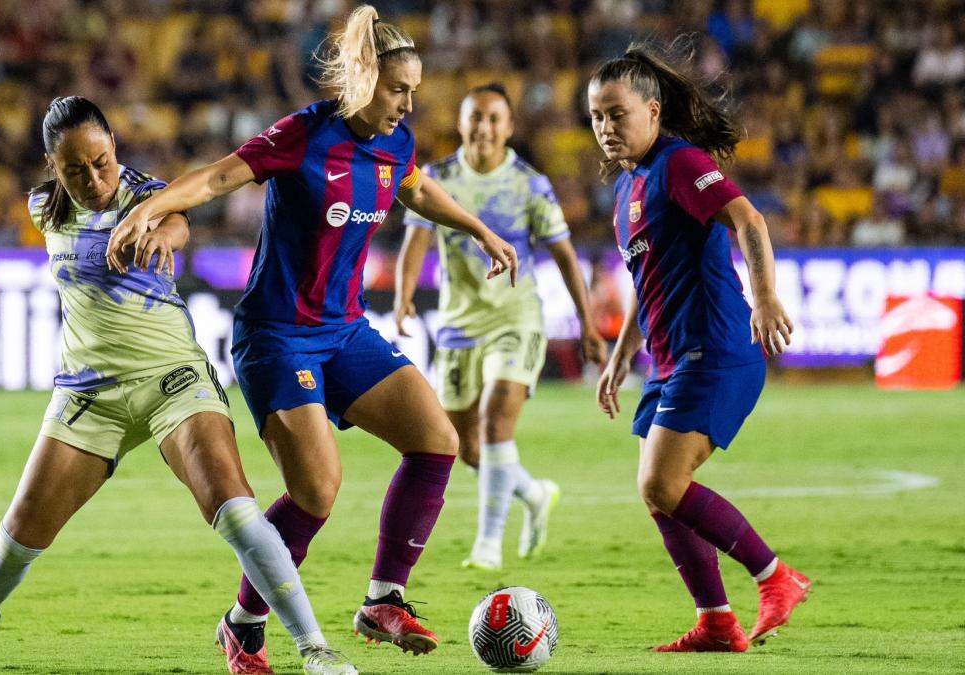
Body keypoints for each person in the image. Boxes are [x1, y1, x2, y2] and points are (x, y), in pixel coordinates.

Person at [106, 5, 517, 670]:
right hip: (277, 339)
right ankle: (246, 623)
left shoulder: (396, 143)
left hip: (345, 330)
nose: (407, 103)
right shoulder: (303, 135)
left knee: (437, 439)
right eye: (396, 89)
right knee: (318, 491)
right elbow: (216, 176)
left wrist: (478, 228)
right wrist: (152, 207)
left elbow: (417, 190)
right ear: (361, 79)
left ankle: (383, 598)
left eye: (414, 90)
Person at [0, 97, 356, 675]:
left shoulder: (145, 196)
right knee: (17, 539)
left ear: (115, 146)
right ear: (51, 166)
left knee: (236, 509)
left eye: (101, 162)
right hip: (88, 394)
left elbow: (176, 219)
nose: (93, 179)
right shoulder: (45, 208)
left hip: (172, 380)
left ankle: (313, 647)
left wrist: (163, 232)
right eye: (75, 170)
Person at [586, 45, 811, 652]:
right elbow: (646, 280)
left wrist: (764, 298)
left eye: (617, 113)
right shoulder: (629, 189)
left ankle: (776, 578)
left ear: (653, 112)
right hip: (671, 359)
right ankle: (716, 621)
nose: (606, 127)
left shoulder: (679, 163)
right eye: (596, 117)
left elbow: (749, 220)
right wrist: (619, 353)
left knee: (662, 485)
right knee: (661, 495)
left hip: (713, 350)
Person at [395, 83, 608, 571]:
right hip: (457, 326)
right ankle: (532, 494)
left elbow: (565, 256)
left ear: (509, 127)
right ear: (461, 123)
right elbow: (416, 241)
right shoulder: (437, 176)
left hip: (516, 318)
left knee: (495, 419)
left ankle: (488, 544)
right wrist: (405, 297)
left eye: (494, 118)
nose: (484, 127)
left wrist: (588, 324)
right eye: (476, 117)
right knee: (467, 447)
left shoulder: (530, 184)